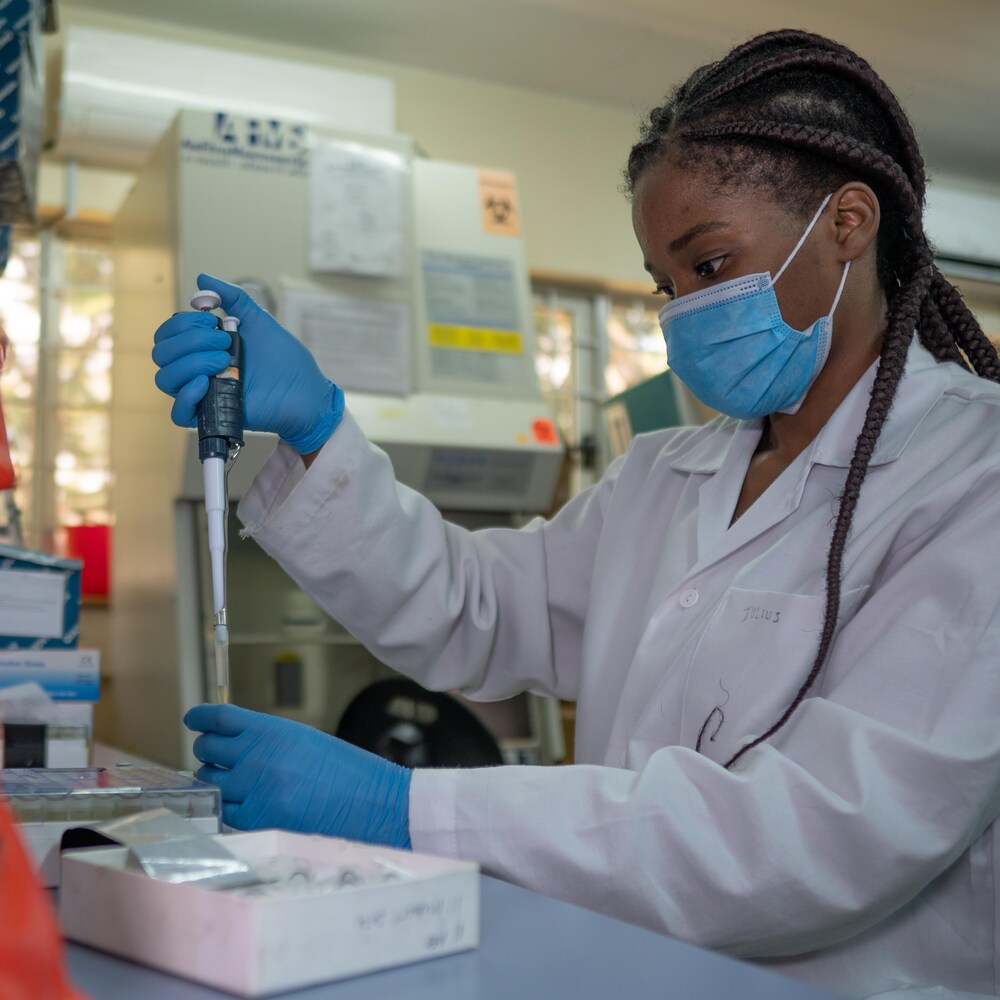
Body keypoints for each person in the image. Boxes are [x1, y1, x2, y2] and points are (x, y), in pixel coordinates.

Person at [152, 29, 1000, 1000]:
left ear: (849, 221)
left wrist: (405, 806)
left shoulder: (970, 477)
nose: (683, 310)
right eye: (664, 284)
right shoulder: (666, 475)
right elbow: (475, 607)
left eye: (710, 264)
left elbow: (829, 832)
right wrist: (318, 430)